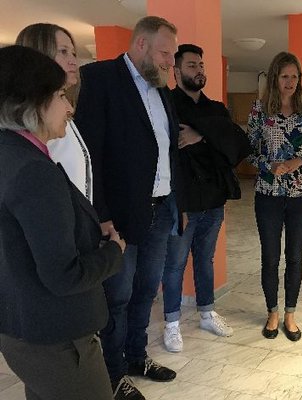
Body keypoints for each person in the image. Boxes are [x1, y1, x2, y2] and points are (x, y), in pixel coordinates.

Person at [0, 45, 125, 400]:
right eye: (60, 95)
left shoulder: (9, 153)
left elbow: (20, 237)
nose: (69, 107)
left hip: (23, 329)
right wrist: (113, 252)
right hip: (55, 336)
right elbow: (63, 275)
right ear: (33, 102)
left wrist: (85, 229)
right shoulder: (33, 172)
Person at [75, 16, 185, 400]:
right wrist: (101, 215)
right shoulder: (100, 79)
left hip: (161, 209)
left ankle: (137, 357)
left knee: (144, 291)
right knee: (116, 297)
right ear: (140, 45)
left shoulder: (161, 88)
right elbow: (91, 156)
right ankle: (113, 373)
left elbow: (168, 150)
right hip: (119, 216)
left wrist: (177, 202)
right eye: (165, 53)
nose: (171, 62)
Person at [161, 44, 250, 352]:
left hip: (213, 199)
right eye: (191, 65)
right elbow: (168, 148)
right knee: (174, 263)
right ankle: (171, 323)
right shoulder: (167, 105)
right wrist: (213, 137)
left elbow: (237, 145)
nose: (199, 70)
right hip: (181, 200)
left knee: (205, 259)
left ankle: (206, 312)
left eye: (201, 65)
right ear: (176, 71)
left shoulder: (216, 109)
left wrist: (201, 135)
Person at [247, 51, 302, 341]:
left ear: (299, 79)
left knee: (295, 256)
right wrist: (269, 165)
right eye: (284, 76)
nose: (290, 81)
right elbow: (249, 152)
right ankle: (272, 312)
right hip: (267, 193)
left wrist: (298, 162)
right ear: (275, 78)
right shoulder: (259, 111)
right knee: (270, 256)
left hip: (300, 194)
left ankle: (290, 314)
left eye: (294, 76)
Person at [15, 23, 93, 202]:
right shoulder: (34, 119)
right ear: (40, 55)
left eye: (73, 53)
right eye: (63, 52)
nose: (73, 60)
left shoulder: (63, 111)